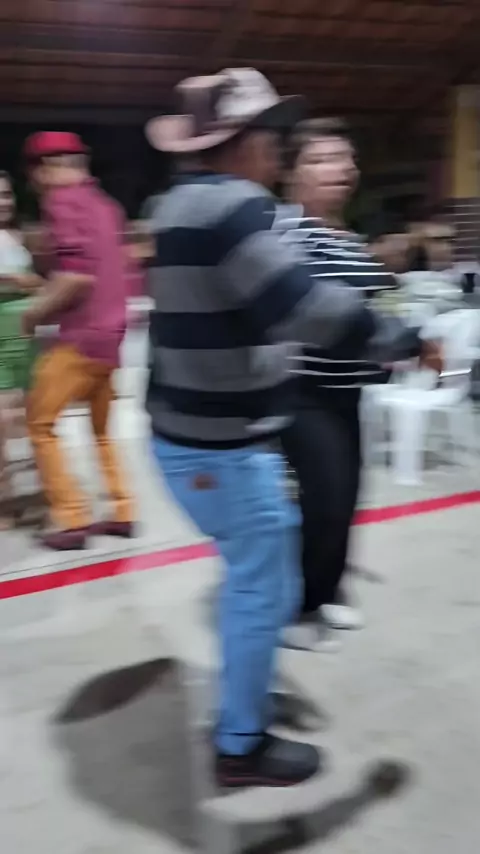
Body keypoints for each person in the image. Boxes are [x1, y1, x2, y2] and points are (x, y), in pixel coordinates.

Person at [144, 68, 404, 788]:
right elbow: (306, 310)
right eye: (275, 137)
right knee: (262, 587)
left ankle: (248, 692)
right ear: (247, 141)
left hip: (186, 432)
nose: (281, 150)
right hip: (218, 446)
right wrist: (399, 337)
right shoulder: (235, 207)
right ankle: (241, 744)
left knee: (265, 565)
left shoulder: (175, 205)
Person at [277, 119, 442, 646]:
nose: (341, 169)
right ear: (291, 172)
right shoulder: (287, 234)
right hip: (300, 389)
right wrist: (407, 341)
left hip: (345, 390)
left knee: (343, 497)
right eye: (322, 158)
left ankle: (322, 593)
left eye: (345, 158)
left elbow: (373, 303)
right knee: (323, 497)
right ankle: (295, 609)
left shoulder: (345, 238)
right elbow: (325, 312)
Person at [21, 131, 135, 550]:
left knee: (40, 423)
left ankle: (71, 519)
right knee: (101, 430)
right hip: (113, 337)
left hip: (81, 338)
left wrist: (33, 314)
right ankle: (122, 510)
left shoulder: (62, 201)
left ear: (44, 168)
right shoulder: (106, 206)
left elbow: (75, 278)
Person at [0, 171, 41, 527]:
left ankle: (40, 494)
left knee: (35, 419)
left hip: (26, 338)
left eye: (7, 195)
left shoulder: (19, 236)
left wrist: (23, 283)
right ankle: (4, 503)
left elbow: (39, 282)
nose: (4, 202)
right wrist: (15, 282)